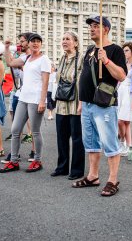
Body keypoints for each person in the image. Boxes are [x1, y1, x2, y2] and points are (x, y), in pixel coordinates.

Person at [71, 15, 127, 197]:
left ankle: (112, 180)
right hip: (87, 104)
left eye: (96, 26)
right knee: (91, 143)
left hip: (103, 105)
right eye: (91, 26)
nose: (92, 29)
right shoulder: (89, 50)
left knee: (109, 142)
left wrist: (107, 61)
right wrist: (81, 102)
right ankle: (93, 176)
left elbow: (121, 76)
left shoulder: (115, 50)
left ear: (106, 29)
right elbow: (84, 76)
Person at [0, 33, 50, 173]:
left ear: (41, 44)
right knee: (15, 130)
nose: (35, 43)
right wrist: (7, 47)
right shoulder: (26, 58)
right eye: (32, 41)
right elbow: (9, 62)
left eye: (38, 41)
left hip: (35, 100)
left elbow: (45, 81)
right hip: (23, 98)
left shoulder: (44, 59)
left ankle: (37, 160)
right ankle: (14, 161)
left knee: (35, 131)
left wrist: (42, 100)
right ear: (28, 43)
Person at [50, 32, 85, 180]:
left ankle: (77, 170)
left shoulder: (82, 58)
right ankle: (62, 167)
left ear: (76, 43)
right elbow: (59, 80)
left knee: (77, 138)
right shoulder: (62, 58)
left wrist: (82, 102)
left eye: (68, 39)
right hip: (62, 103)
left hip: (76, 102)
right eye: (63, 39)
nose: (64, 41)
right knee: (61, 137)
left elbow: (84, 81)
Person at [2, 33, 35, 163]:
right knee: (16, 125)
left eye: (22, 41)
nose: (20, 44)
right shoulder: (21, 56)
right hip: (19, 93)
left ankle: (34, 152)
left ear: (29, 42)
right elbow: (10, 63)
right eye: (19, 41)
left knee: (33, 125)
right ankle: (15, 153)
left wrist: (21, 65)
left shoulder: (35, 57)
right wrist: (7, 49)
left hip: (31, 95)